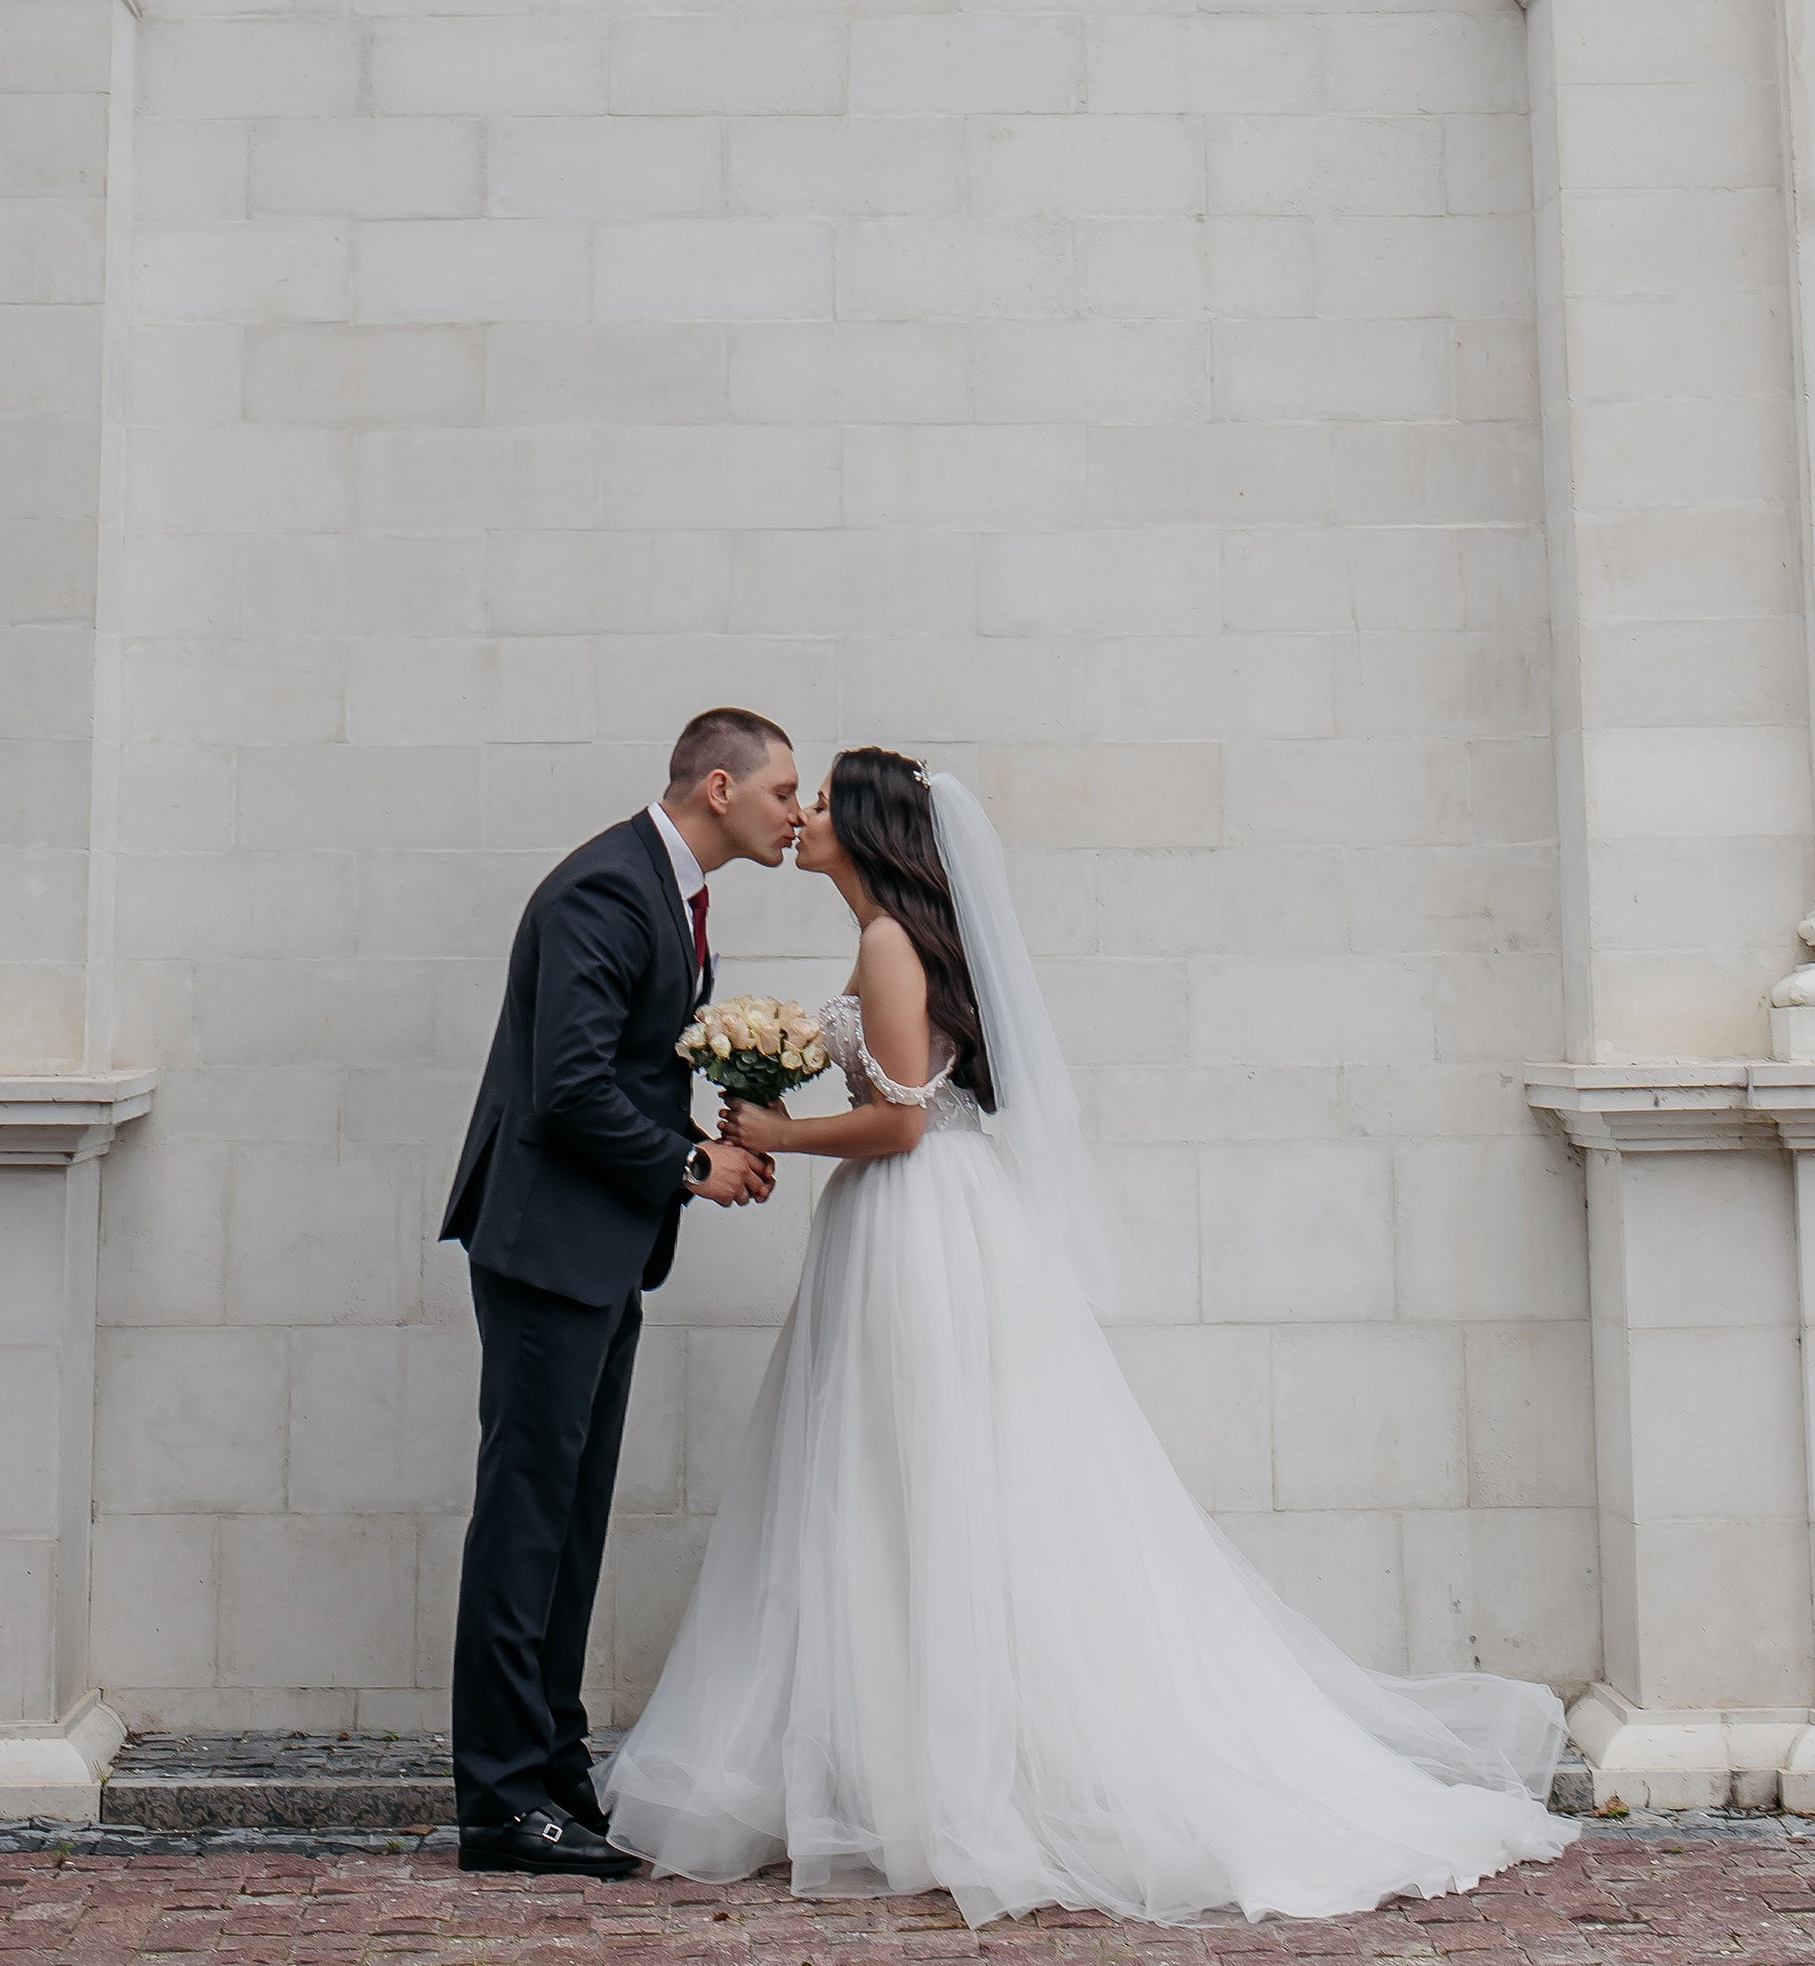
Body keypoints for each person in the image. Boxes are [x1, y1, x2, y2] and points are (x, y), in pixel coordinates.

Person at [598, 748, 1576, 1926]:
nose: (801, 816)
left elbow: (901, 1127)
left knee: (917, 1482)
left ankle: (946, 1783)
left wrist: (779, 1135)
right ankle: (906, 1773)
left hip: (916, 1219)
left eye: (820, 802)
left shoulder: (891, 945)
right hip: (911, 1220)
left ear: (863, 826)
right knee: (895, 1486)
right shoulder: (888, 942)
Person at [442, 707, 804, 1878]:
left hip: (597, 1248)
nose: (795, 814)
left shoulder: (667, 891)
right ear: (718, 788)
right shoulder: (607, 889)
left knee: (570, 1520)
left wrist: (708, 1137)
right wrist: (693, 1164)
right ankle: (501, 1801)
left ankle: (551, 1767)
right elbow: (568, 1088)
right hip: (548, 1248)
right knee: (526, 1519)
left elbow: (625, 1074)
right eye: (782, 791)